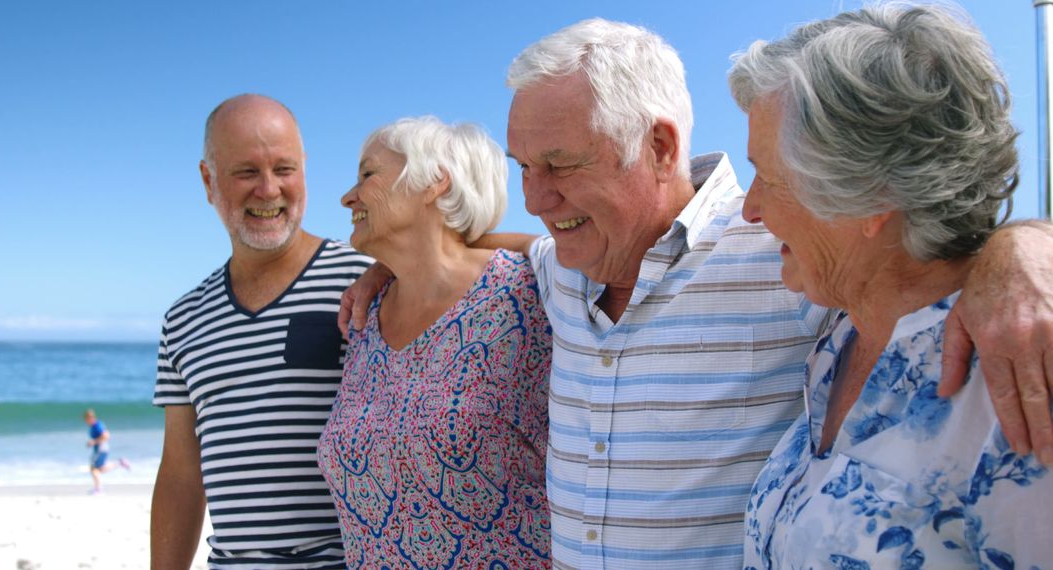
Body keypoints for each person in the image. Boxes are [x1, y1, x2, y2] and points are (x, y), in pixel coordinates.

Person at [343, 17, 1053, 569]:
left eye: (559, 164)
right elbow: (498, 248)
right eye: (523, 166)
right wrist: (393, 265)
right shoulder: (555, 269)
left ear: (657, 146)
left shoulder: (789, 258)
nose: (534, 198)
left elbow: (912, 248)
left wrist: (1020, 247)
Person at [731, 4, 1053, 567]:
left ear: (869, 193)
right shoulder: (839, 338)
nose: (749, 210)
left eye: (768, 177)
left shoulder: (1020, 378)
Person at [317, 116, 552, 568]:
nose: (349, 196)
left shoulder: (525, 291)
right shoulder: (365, 314)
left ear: (435, 181)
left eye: (368, 175)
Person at [151, 94, 371, 569]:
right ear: (209, 181)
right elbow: (180, 476)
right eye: (246, 172)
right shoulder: (182, 319)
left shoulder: (369, 283)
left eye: (284, 169)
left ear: (305, 170)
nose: (269, 190)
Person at [84, 408, 129, 494]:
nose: (86, 421)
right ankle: (120, 462)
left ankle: (98, 488)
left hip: (101, 449)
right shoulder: (94, 426)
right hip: (100, 449)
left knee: (94, 468)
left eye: (86, 419)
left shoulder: (97, 425)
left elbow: (106, 435)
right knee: (100, 469)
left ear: (90, 418)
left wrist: (93, 441)